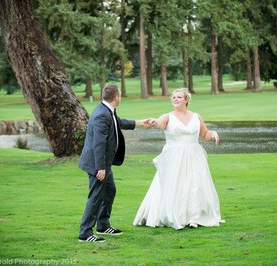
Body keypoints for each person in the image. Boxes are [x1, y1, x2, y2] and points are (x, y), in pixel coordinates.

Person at [133, 88, 223, 230]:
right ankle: (175, 215)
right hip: (174, 156)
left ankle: (194, 217)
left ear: (186, 100)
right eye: (173, 97)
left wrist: (213, 134)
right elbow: (159, 124)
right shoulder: (167, 116)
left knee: (195, 184)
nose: (175, 99)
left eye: (179, 97)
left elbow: (204, 134)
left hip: (194, 154)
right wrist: (154, 122)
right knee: (174, 184)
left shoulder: (196, 117)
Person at [78, 84, 151, 243]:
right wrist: (101, 168)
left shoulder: (107, 110)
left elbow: (119, 123)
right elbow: (98, 144)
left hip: (104, 163)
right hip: (97, 164)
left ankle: (103, 225)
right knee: (95, 196)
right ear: (116, 97)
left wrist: (139, 122)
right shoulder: (102, 115)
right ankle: (85, 233)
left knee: (109, 191)